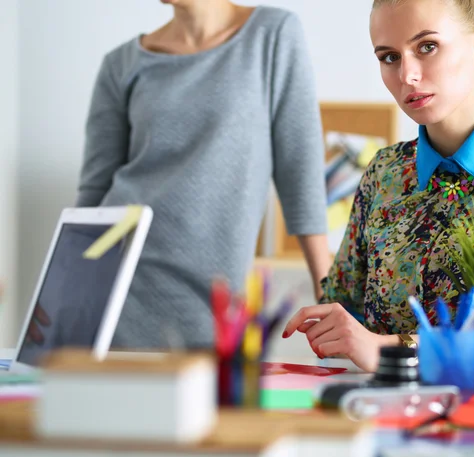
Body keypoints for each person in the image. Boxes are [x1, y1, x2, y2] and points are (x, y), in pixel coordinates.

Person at [282, 0, 474, 372]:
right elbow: (343, 309)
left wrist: (390, 348)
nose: (407, 75)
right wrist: (330, 329)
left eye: (427, 47)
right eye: (389, 57)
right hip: (374, 410)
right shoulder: (384, 171)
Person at [76, 0, 330, 349]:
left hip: (213, 297)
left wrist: (328, 288)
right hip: (118, 285)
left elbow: (299, 165)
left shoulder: (272, 33)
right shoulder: (121, 64)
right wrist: (62, 300)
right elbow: (93, 196)